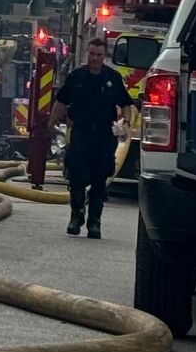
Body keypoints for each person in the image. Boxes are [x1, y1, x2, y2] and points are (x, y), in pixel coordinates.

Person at [51, 37, 135, 239]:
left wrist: (125, 123)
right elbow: (61, 102)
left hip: (104, 135)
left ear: (104, 56)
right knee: (76, 176)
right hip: (81, 133)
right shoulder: (76, 77)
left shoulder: (113, 78)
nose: (94, 58)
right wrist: (50, 124)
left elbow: (125, 104)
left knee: (99, 179)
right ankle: (76, 216)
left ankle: (94, 222)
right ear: (87, 53)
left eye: (98, 55)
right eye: (91, 54)